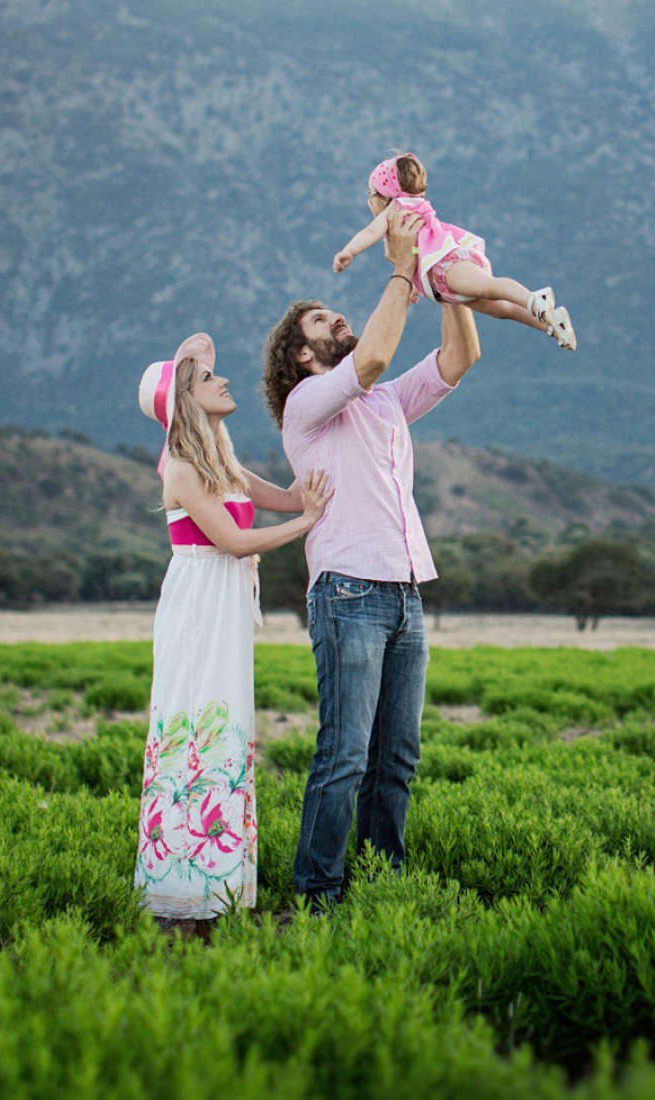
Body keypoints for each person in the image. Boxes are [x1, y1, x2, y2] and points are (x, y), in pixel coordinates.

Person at [263, 210, 481, 908]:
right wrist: (397, 268)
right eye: (323, 323)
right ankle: (317, 896)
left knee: (397, 761)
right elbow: (377, 356)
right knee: (344, 756)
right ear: (301, 356)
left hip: (406, 596)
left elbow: (458, 360)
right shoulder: (307, 405)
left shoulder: (383, 403)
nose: (337, 323)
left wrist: (445, 286)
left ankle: (382, 889)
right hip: (348, 594)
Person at [135, 331, 332, 932]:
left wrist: (323, 423)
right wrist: (307, 523)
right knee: (197, 724)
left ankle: (215, 885)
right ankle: (181, 890)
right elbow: (235, 541)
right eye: (206, 379)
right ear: (187, 402)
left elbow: (284, 495)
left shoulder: (221, 460)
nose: (223, 381)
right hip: (199, 605)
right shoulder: (184, 470)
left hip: (221, 605)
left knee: (224, 725)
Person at [333, 151, 576, 349]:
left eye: (371, 194)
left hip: (448, 267)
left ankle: (534, 298)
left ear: (385, 196)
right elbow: (419, 251)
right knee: (501, 310)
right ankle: (551, 323)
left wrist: (348, 252)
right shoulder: (408, 213)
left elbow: (368, 234)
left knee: (489, 288)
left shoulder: (395, 210)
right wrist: (414, 284)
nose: (369, 201)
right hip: (444, 282)